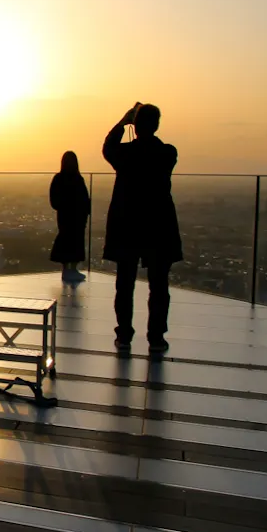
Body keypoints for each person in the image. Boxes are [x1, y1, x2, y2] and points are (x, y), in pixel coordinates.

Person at [102, 102, 182, 354]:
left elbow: (107, 147)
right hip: (158, 227)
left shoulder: (124, 155)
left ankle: (124, 334)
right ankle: (156, 338)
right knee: (159, 286)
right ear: (157, 125)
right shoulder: (168, 153)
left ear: (134, 127)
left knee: (125, 284)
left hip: (128, 226)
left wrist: (123, 120)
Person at [49, 151, 90, 284]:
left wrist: (62, 207)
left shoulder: (59, 178)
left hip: (65, 216)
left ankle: (67, 269)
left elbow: (54, 199)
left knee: (66, 239)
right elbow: (85, 198)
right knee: (75, 241)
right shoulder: (78, 179)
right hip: (76, 216)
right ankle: (72, 269)